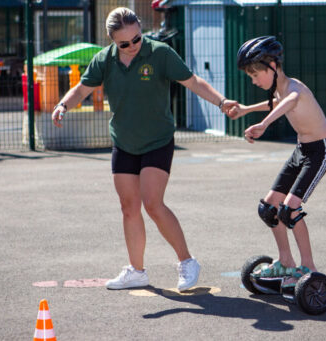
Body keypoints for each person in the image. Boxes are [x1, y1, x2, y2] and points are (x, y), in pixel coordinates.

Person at [51, 7, 237, 291]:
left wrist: (222, 103)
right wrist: (63, 105)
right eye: (124, 43)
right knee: (129, 208)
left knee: (152, 202)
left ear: (140, 29)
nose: (133, 46)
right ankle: (137, 271)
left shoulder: (160, 53)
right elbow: (81, 89)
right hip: (124, 142)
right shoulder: (105, 60)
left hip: (157, 140)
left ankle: (187, 262)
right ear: (113, 41)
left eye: (136, 38)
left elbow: (193, 82)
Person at [229, 36, 326, 287]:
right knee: (269, 207)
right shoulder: (281, 89)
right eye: (250, 76)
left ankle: (308, 266)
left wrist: (264, 124)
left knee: (289, 210)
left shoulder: (295, 88)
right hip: (302, 150)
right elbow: (278, 102)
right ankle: (285, 261)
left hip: (321, 150)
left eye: (256, 74)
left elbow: (289, 102)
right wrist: (246, 109)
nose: (254, 81)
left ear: (273, 67)